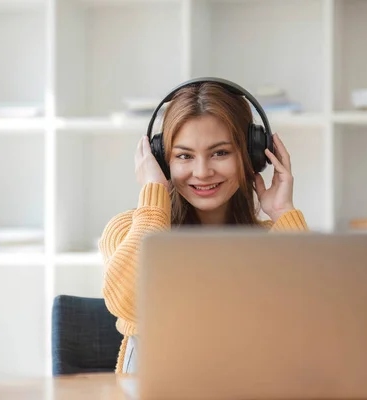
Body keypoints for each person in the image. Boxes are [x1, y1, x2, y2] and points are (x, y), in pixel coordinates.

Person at [98, 79, 309, 374]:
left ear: (251, 156)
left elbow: (316, 322)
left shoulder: (273, 243)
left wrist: (282, 213)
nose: (202, 172)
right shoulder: (127, 230)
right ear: (162, 160)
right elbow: (129, 302)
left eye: (220, 153)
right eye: (184, 156)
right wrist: (153, 195)